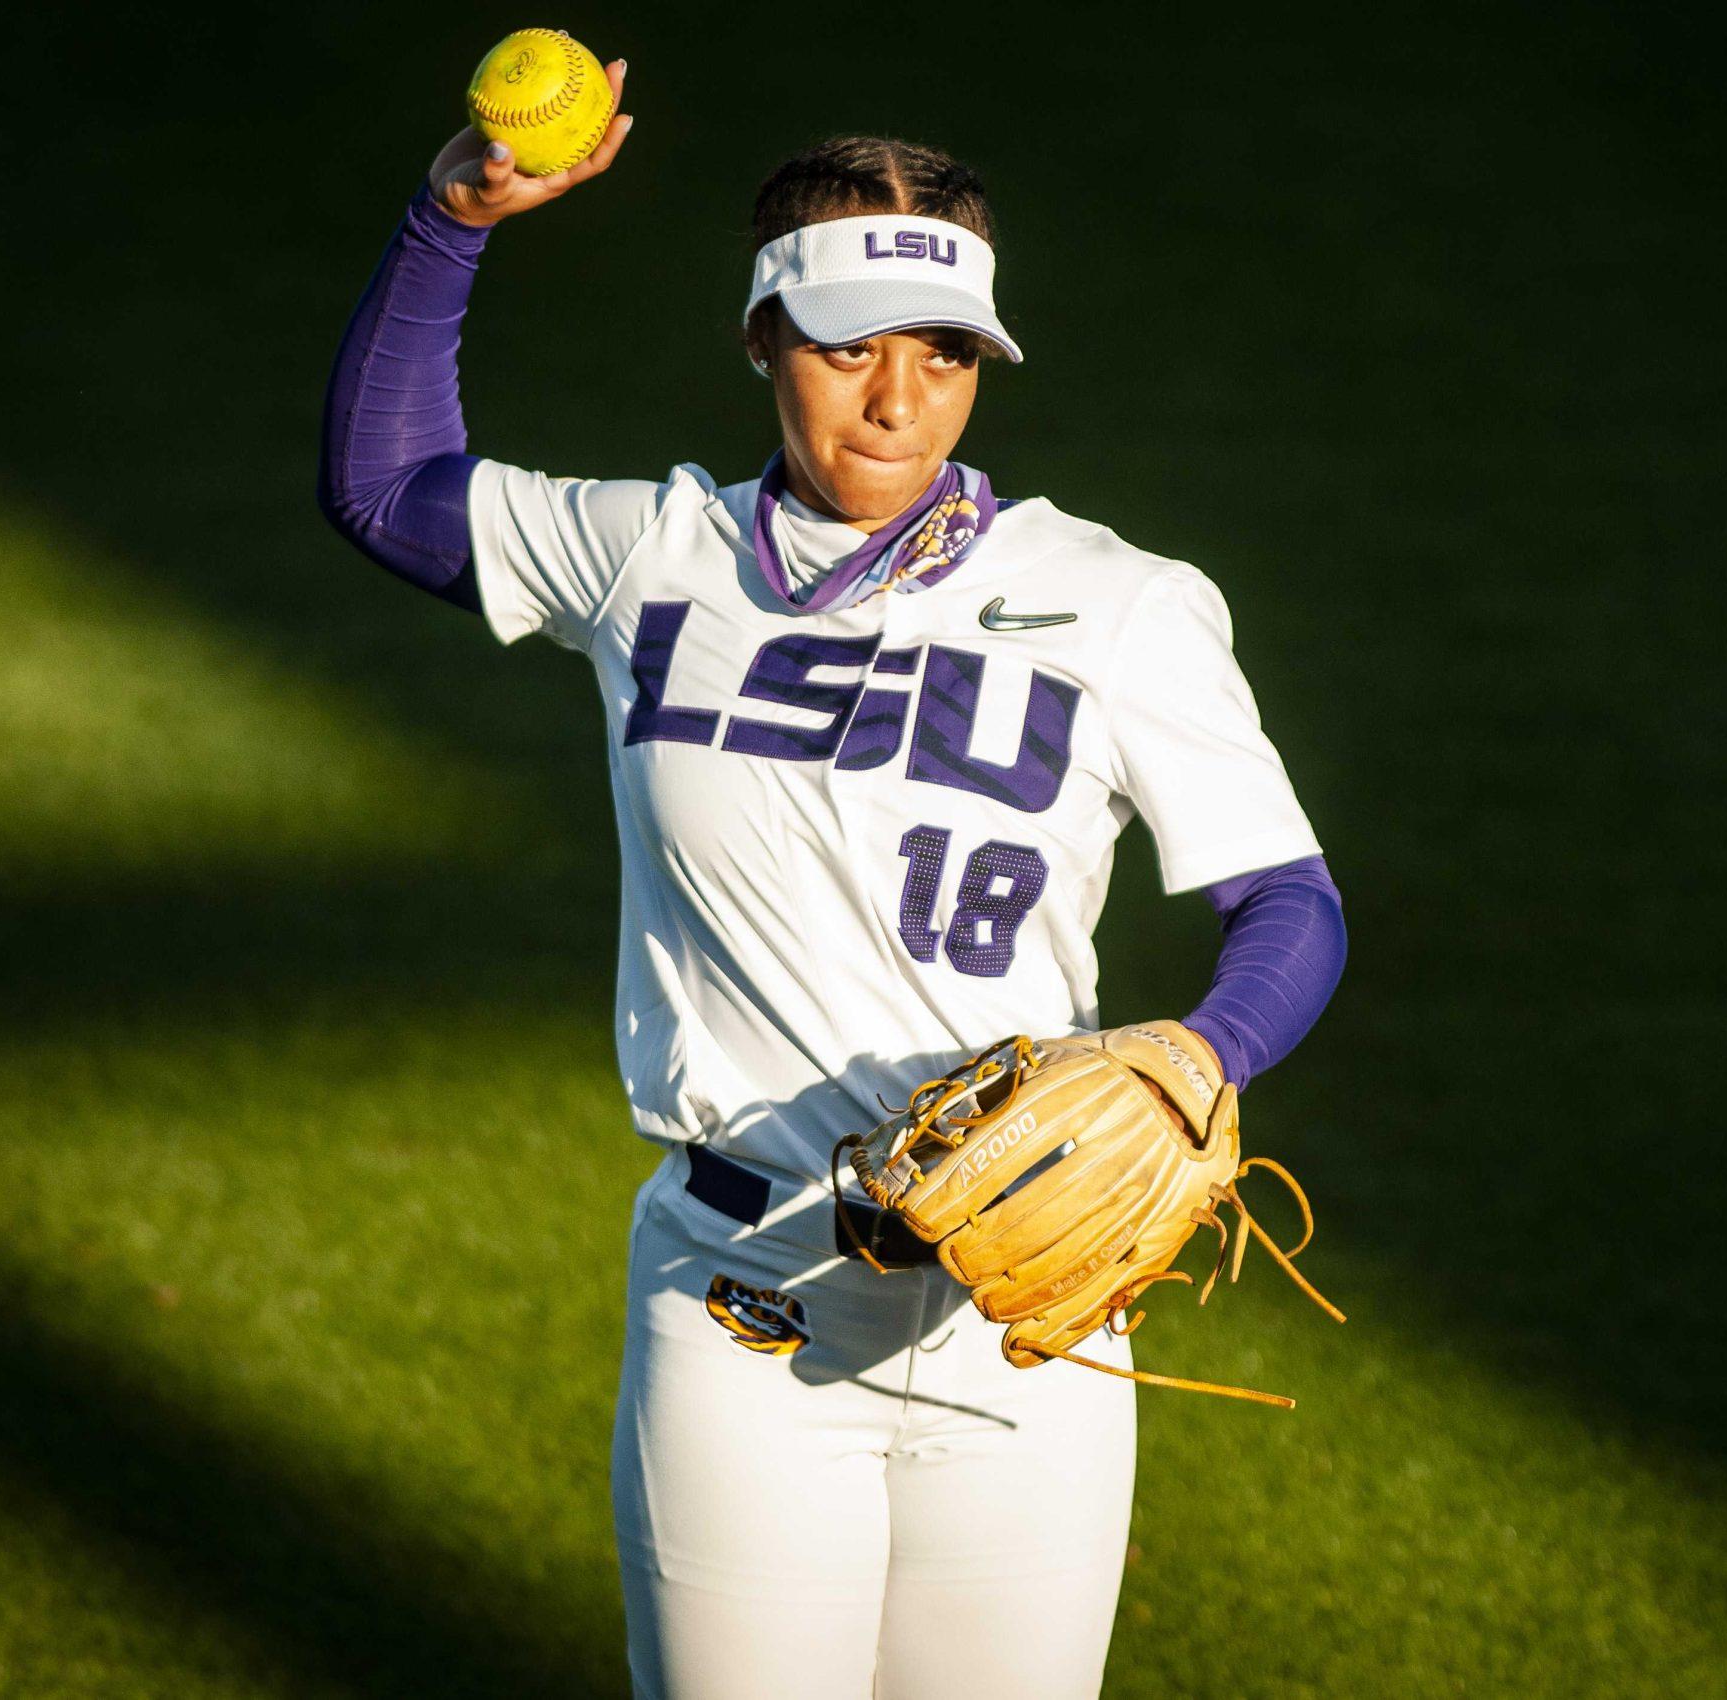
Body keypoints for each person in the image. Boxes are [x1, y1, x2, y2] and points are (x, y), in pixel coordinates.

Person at [317, 59, 1348, 1699]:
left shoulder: (1121, 602)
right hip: (738, 1312)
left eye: (943, 356)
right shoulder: (648, 556)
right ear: (758, 339)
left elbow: (1290, 907)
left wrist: (1192, 1063)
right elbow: (382, 491)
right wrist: (452, 223)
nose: (897, 400)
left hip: (1031, 1322)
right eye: (849, 345)